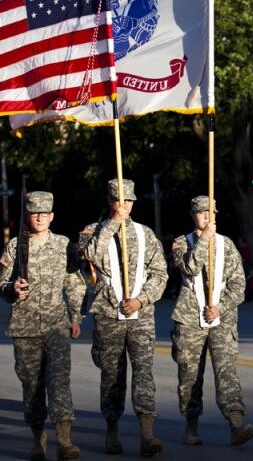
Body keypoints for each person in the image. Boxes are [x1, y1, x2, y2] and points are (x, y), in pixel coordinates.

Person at [83, 179, 169, 456]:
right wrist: (111, 225)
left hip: (141, 315)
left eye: (129, 201)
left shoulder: (145, 234)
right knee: (112, 374)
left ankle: (147, 434)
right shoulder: (92, 231)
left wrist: (141, 300)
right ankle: (112, 429)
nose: (125, 205)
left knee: (144, 371)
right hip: (108, 313)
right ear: (110, 201)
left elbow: (160, 274)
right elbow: (89, 255)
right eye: (120, 200)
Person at [0, 191, 85, 460]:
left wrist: (75, 316)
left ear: (52, 216)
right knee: (32, 386)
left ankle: (65, 441)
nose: (40, 217)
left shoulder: (63, 244)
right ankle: (38, 439)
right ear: (27, 215)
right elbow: (0, 286)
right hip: (24, 328)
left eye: (45, 213)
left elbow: (74, 283)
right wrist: (13, 289)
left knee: (59, 382)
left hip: (56, 325)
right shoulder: (15, 247)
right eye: (35, 213)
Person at [170, 195, 253, 447]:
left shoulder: (226, 245)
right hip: (189, 319)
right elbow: (188, 268)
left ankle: (236, 423)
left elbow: (239, 284)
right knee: (189, 374)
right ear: (192, 215)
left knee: (226, 370)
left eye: (211, 213)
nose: (207, 217)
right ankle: (191, 425)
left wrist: (220, 307)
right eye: (201, 212)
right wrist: (204, 239)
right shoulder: (181, 243)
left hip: (222, 318)